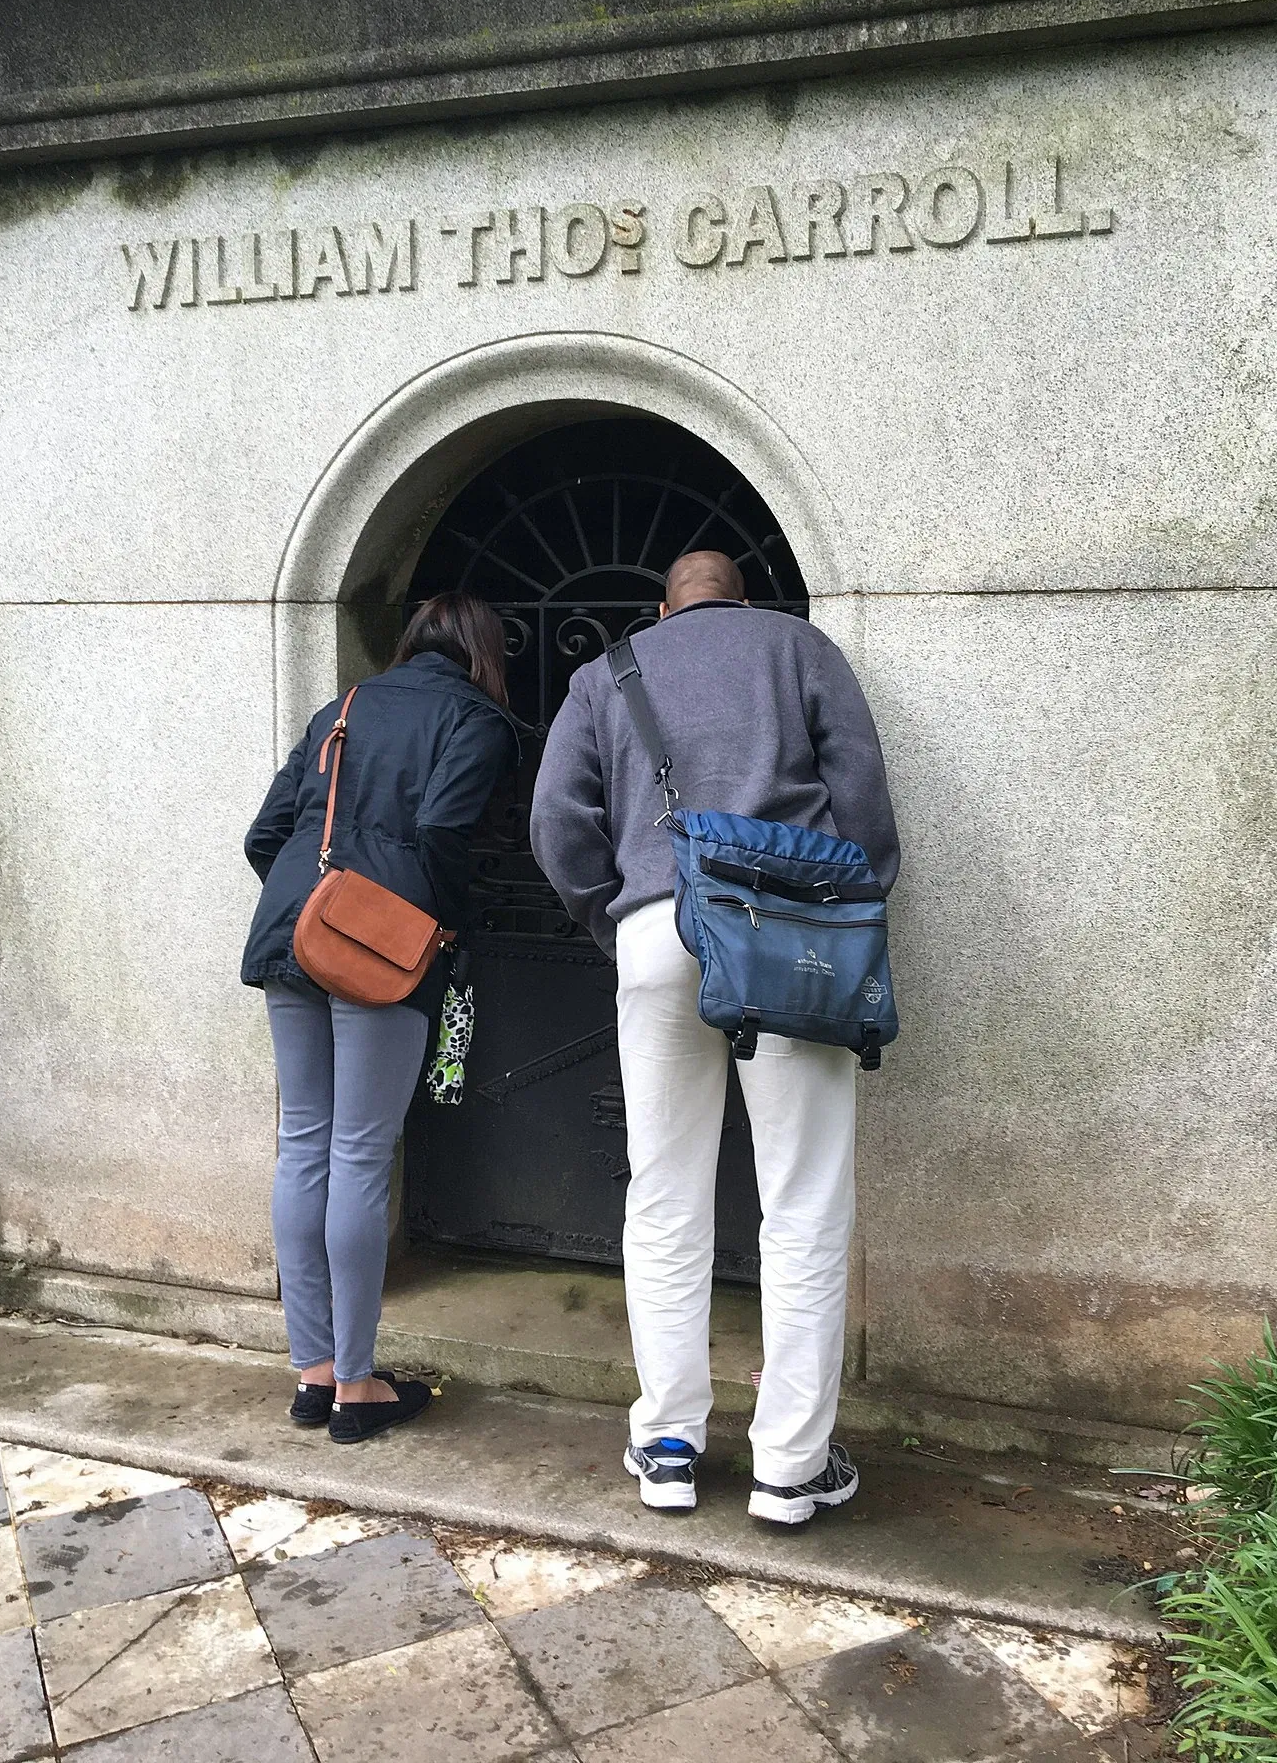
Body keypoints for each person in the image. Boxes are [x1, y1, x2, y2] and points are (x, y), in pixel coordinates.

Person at [530, 550, 900, 1524]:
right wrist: (848, 906)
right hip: (786, 931)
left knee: (663, 1192)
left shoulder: (607, 671)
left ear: (666, 606)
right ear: (745, 598)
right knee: (805, 1199)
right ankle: (790, 1463)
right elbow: (862, 800)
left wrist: (618, 918)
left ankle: (668, 1446)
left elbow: (553, 819)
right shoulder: (800, 647)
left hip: (658, 925)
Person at [242, 593, 515, 1443]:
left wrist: (317, 906)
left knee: (304, 1144)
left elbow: (266, 833)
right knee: (359, 1152)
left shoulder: (344, 706)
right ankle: (357, 1388)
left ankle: (313, 1372)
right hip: (383, 948)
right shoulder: (477, 719)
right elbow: (441, 831)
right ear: (483, 650)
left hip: (295, 925)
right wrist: (445, 921)